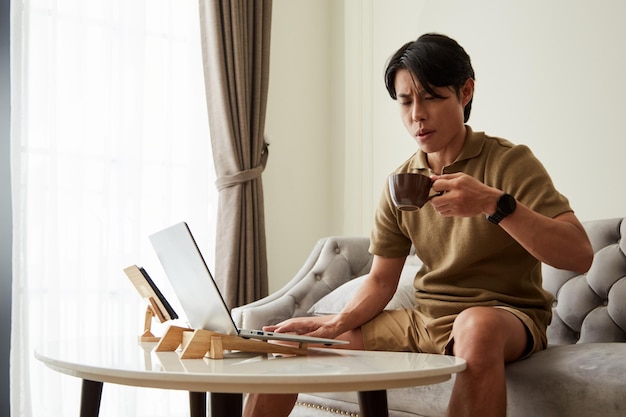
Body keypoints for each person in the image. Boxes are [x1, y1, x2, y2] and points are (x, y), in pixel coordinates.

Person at [243, 33, 594, 417]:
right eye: (406, 101)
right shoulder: (401, 181)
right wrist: (331, 323)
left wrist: (493, 204)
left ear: (465, 92)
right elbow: (380, 281)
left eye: (430, 97)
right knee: (291, 345)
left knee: (476, 327)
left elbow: (579, 255)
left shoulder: (509, 163)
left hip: (504, 317)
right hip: (424, 320)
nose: (417, 115)